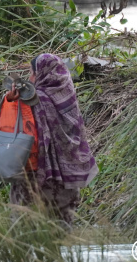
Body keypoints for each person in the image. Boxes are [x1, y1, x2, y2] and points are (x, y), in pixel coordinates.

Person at [7, 54, 98, 226]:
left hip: (33, 183)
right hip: (66, 186)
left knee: (24, 239)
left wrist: (12, 100)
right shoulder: (68, 100)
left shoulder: (33, 99)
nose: (30, 78)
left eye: (31, 73)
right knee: (59, 241)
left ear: (43, 73)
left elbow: (13, 130)